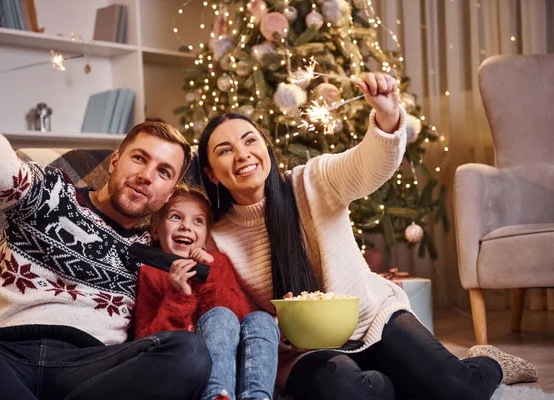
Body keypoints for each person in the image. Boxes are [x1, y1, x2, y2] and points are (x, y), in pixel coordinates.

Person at [195, 72, 538, 400]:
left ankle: (490, 361)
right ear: (210, 172)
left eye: (250, 140)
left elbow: (367, 165)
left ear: (265, 146)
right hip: (302, 352)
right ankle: (398, 380)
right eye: (224, 150)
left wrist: (387, 117)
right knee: (350, 392)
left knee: (459, 390)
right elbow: (234, 311)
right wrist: (276, 326)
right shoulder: (218, 238)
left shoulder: (312, 181)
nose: (242, 155)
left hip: (372, 318)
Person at [0, 67, 211, 400]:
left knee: (189, 353)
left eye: (163, 172)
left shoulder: (156, 248)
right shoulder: (50, 194)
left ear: (170, 192)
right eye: (139, 158)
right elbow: (1, 170)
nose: (147, 175)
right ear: (115, 160)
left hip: (91, 370)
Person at [134, 184, 280, 400]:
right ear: (155, 229)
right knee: (221, 316)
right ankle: (216, 395)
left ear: (205, 236)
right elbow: (146, 339)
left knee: (261, 319)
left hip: (232, 357)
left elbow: (238, 316)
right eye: (176, 217)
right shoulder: (151, 273)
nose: (186, 226)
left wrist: (209, 276)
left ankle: (257, 397)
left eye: (198, 221)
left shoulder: (217, 264)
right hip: (191, 364)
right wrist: (178, 295)